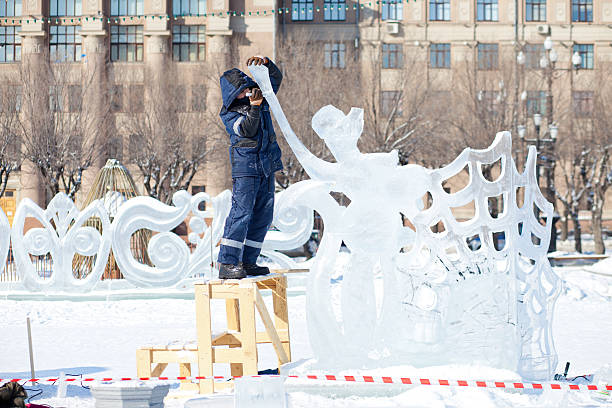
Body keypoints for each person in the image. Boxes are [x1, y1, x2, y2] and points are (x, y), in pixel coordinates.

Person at [217, 56, 283, 279]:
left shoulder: (261, 99)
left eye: (248, 88)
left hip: (265, 166)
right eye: (241, 90)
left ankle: (249, 261)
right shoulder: (229, 114)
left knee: (264, 215)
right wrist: (254, 108)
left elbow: (275, 79)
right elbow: (247, 129)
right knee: (242, 213)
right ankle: (227, 263)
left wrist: (266, 64)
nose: (247, 93)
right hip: (246, 170)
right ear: (231, 95)